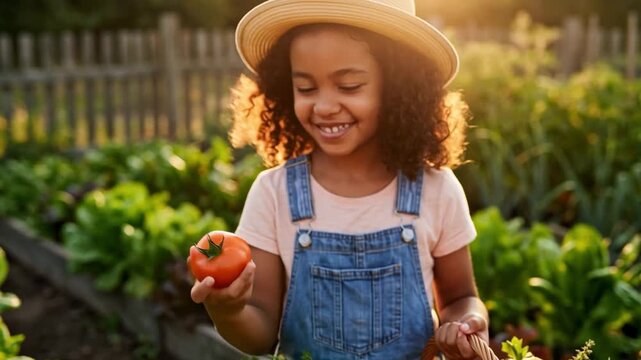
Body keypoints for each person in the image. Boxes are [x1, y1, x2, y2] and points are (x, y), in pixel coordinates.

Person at [190, 0, 489, 358]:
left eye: (348, 86)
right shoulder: (274, 194)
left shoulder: (436, 190)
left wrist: (465, 322)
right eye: (305, 88)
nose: (325, 106)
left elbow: (460, 297)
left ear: (396, 88)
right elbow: (261, 336)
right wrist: (228, 310)